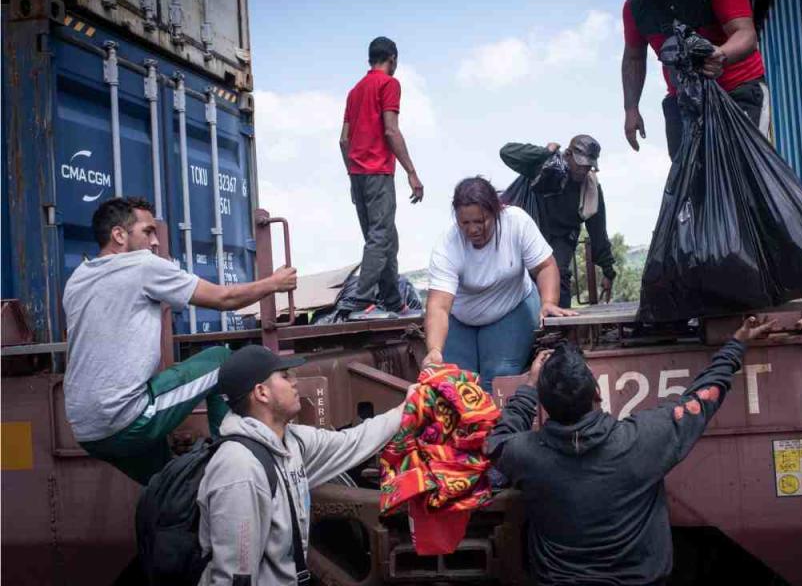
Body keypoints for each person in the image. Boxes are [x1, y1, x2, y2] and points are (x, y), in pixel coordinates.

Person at [486, 316, 777, 585]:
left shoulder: (524, 455)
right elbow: (704, 397)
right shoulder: (644, 438)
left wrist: (528, 388)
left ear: (544, 405)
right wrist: (737, 344)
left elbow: (497, 441)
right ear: (597, 393)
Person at [63, 196, 298, 485]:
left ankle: (187, 507)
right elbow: (225, 299)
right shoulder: (141, 265)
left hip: (87, 430)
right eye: (148, 232)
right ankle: (231, 467)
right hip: (127, 418)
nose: (155, 242)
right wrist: (274, 283)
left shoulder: (77, 279)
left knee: (173, 488)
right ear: (119, 235)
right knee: (222, 361)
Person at [197, 345, 412, 586]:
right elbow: (235, 576)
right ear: (261, 393)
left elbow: (352, 442)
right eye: (285, 376)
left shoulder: (292, 441)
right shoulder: (238, 468)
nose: (295, 382)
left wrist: (407, 407)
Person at [422, 177, 575, 391]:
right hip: (462, 317)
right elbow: (438, 306)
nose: (473, 229)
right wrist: (435, 350)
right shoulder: (447, 244)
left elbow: (545, 267)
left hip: (511, 308)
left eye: (480, 221)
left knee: (497, 379)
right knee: (458, 385)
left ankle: (505, 423)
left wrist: (548, 302)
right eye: (465, 223)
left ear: (496, 211)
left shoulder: (517, 222)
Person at [620, 0, 769, 160]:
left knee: (741, 174)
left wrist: (721, 54)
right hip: (683, 103)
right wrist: (631, 108)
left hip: (737, 93)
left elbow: (745, 34)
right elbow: (633, 58)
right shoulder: (636, 6)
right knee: (690, 185)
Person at [339, 36, 424, 318]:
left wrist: (352, 175)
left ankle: (392, 301)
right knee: (380, 237)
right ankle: (361, 303)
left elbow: (343, 140)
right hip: (378, 172)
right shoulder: (389, 84)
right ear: (393, 58)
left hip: (358, 175)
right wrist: (412, 172)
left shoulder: (354, 91)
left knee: (386, 237)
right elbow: (391, 130)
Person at [500, 135, 617, 308]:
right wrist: (544, 152)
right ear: (568, 155)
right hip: (532, 230)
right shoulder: (547, 166)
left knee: (558, 276)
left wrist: (608, 270)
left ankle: (560, 328)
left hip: (561, 238)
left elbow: (598, 231)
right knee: (519, 277)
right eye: (580, 165)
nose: (583, 171)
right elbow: (507, 152)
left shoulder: (591, 188)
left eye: (588, 167)